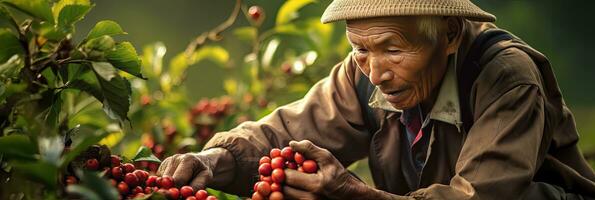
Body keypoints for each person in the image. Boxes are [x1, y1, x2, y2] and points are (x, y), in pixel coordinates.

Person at [158, 0, 595, 199]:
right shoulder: (363, 72)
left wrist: (352, 193)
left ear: (449, 35)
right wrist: (215, 161)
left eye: (393, 48)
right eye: (360, 48)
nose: (375, 70)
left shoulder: (505, 79)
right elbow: (286, 133)